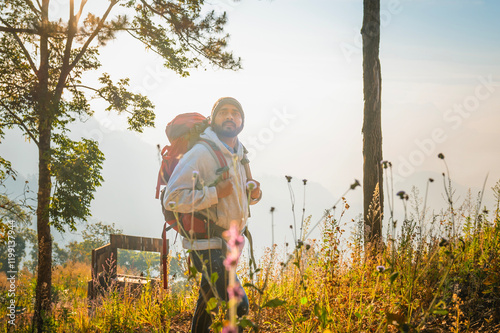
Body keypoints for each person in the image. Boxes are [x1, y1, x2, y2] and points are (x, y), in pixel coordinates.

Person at [162, 97, 262, 333]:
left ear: (242, 121)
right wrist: (215, 193)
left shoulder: (239, 153)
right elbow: (172, 198)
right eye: (223, 112)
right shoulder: (201, 153)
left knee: (207, 305)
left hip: (228, 243)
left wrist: (255, 194)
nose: (230, 117)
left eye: (235, 113)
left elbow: (240, 196)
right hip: (206, 244)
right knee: (238, 306)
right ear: (213, 119)